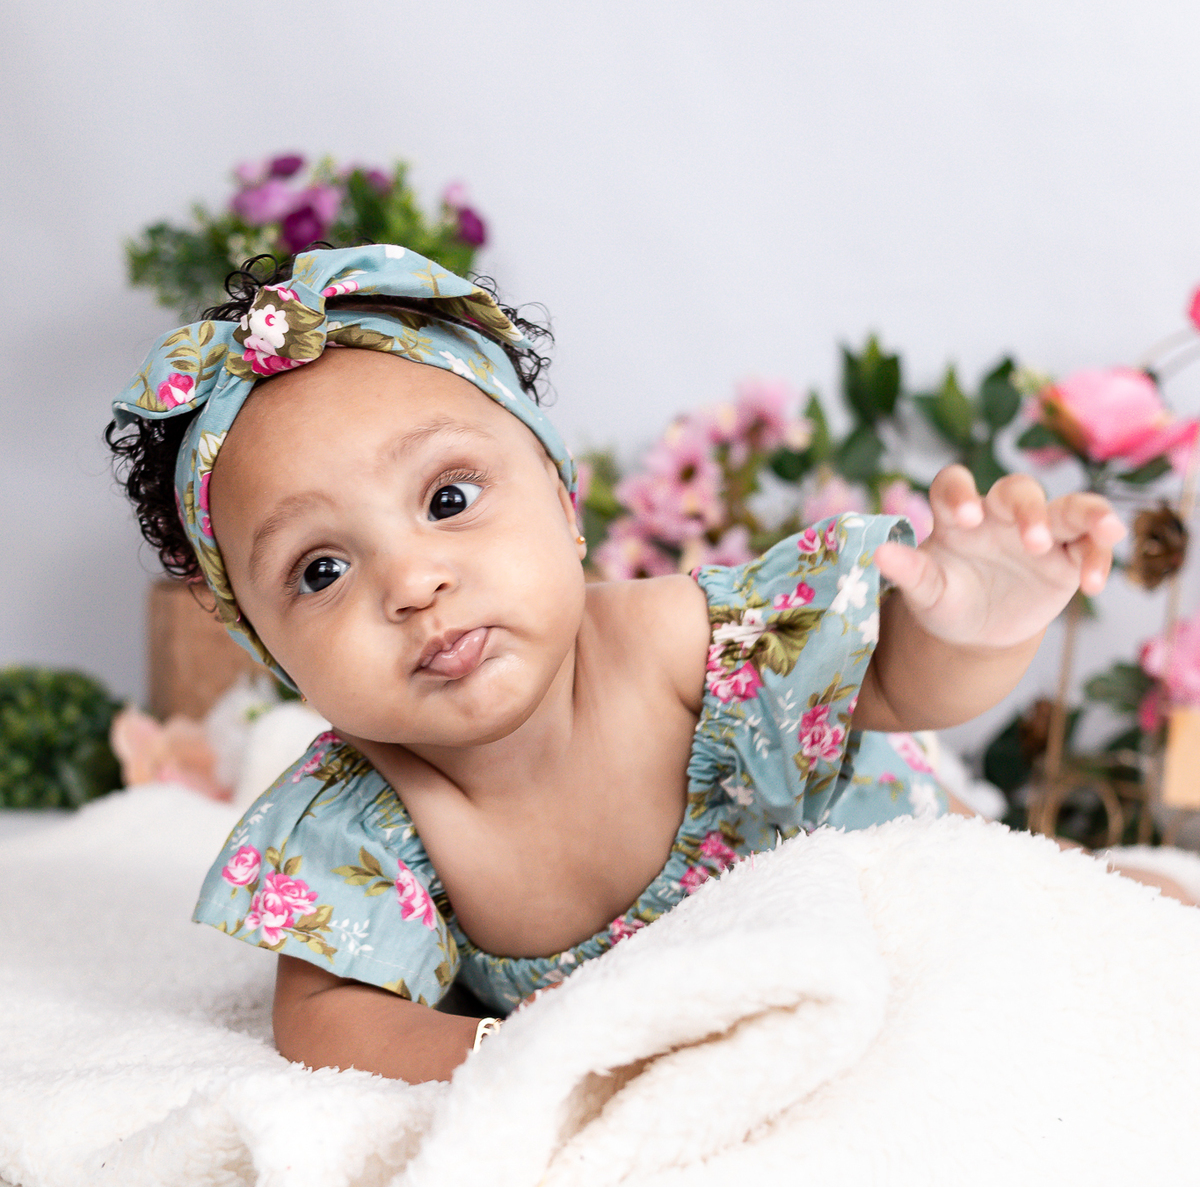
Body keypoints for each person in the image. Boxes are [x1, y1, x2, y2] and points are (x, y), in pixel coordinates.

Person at [108, 243, 1146, 1086]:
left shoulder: (682, 640)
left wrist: (975, 630)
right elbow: (329, 1017)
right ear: (270, 651)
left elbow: (894, 682)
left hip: (898, 904)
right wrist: (534, 1057)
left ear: (565, 505)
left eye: (449, 500)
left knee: (1089, 916)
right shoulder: (365, 815)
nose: (414, 583)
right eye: (321, 570)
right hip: (745, 1041)